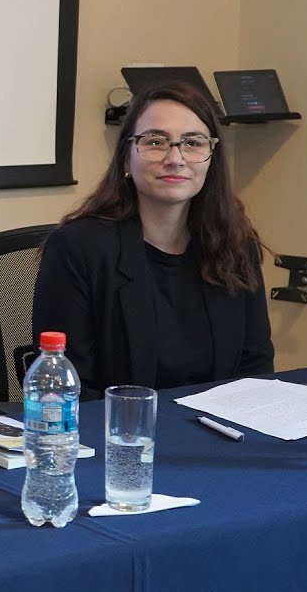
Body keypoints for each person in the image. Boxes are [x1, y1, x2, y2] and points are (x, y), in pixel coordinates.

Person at [32, 81, 274, 401]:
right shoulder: (78, 248)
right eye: (156, 141)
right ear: (125, 160)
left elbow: (255, 368)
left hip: (218, 436)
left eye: (193, 143)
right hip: (119, 439)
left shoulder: (235, 244)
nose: (175, 158)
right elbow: (69, 389)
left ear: (212, 159)